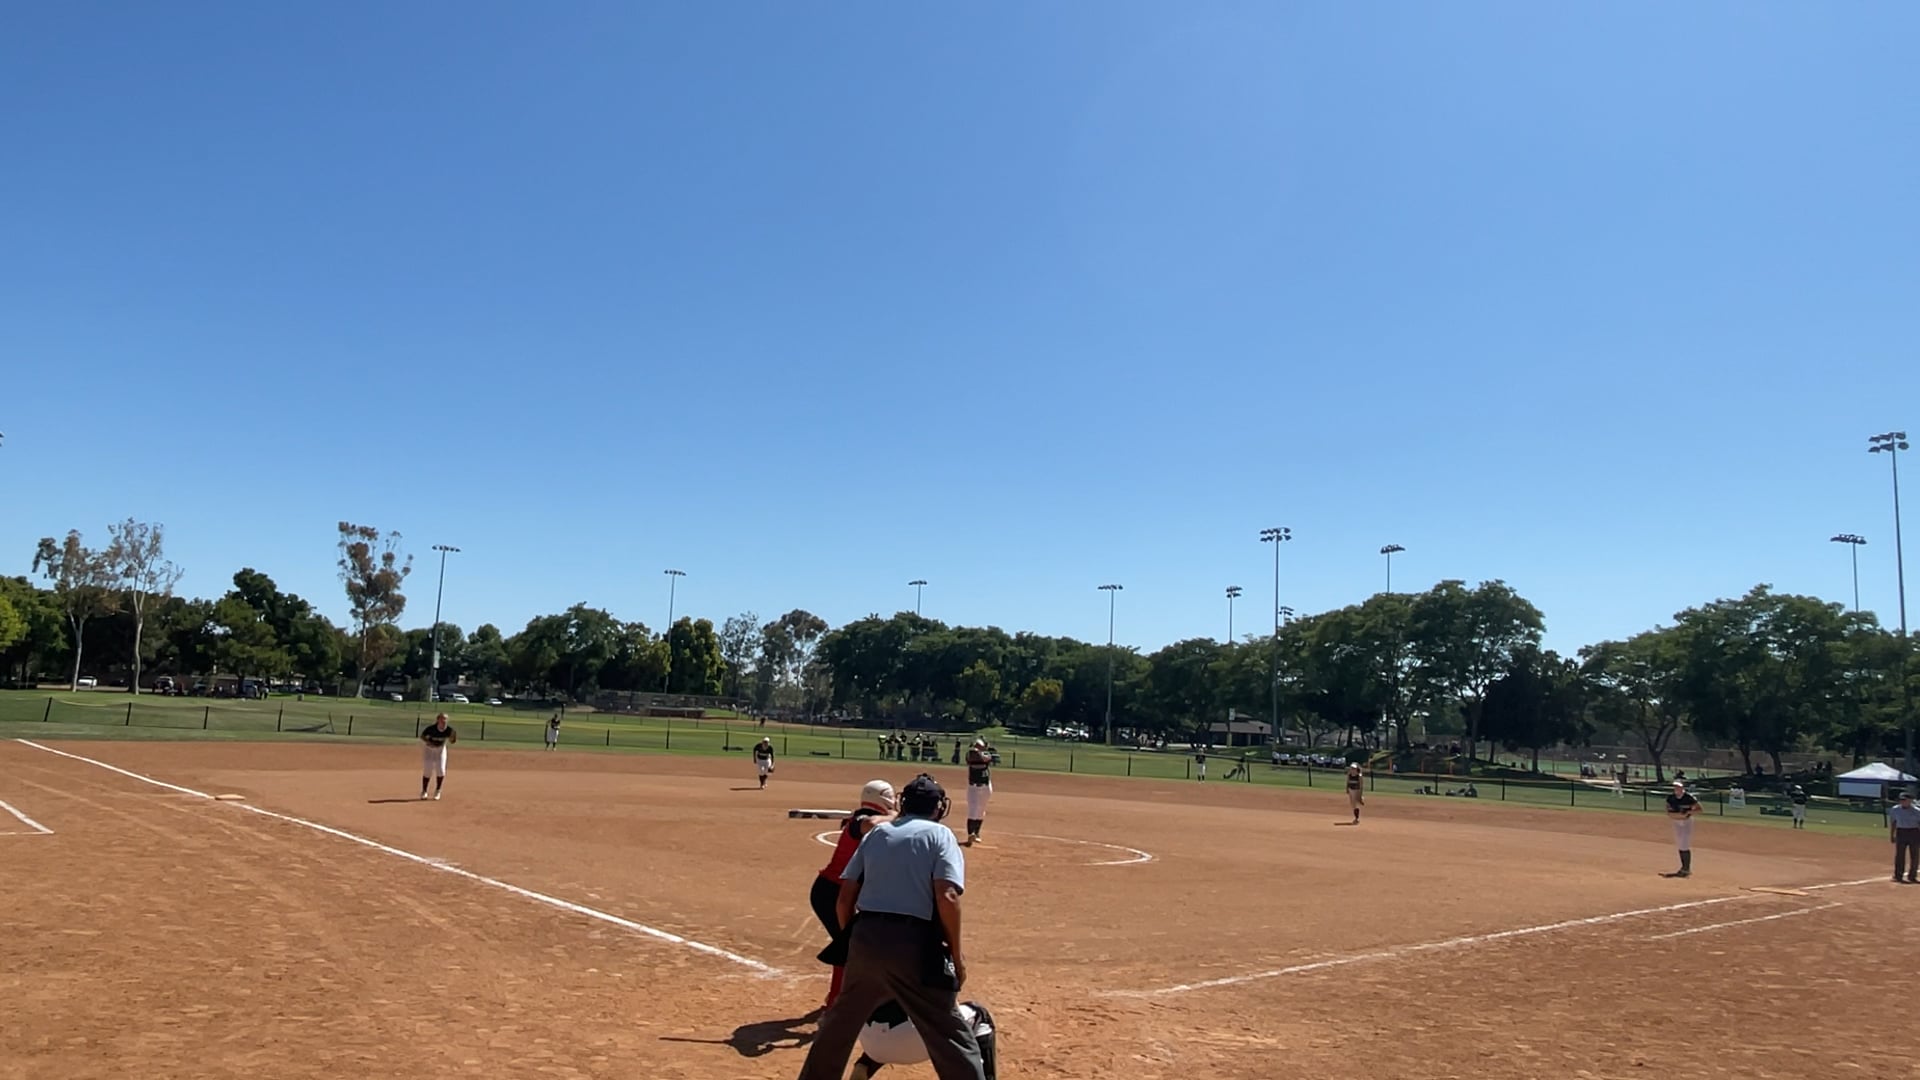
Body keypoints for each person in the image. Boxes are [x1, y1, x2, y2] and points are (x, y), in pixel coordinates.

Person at [797, 774, 986, 1080]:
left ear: (903, 803)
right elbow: (947, 896)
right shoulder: (941, 835)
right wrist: (956, 954)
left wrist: (852, 942)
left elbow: (844, 898)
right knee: (950, 1032)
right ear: (939, 808)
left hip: (865, 936)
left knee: (838, 1026)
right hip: (914, 942)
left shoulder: (878, 833)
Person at [812, 780, 896, 1006]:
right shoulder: (862, 820)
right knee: (848, 948)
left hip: (842, 893)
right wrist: (898, 816)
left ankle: (842, 998)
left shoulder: (864, 820)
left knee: (852, 946)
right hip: (831, 893)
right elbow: (870, 823)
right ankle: (836, 1003)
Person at [851, 999, 998, 1080]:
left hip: (872, 1046)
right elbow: (949, 1004)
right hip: (917, 1040)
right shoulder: (924, 952)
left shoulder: (854, 952)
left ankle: (864, 1065)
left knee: (881, 1023)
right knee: (980, 1014)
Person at [1665, 780, 1701, 877]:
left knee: (1684, 844)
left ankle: (1686, 868)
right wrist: (1674, 814)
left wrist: (1688, 812)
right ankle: (1684, 868)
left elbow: (1699, 809)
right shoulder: (1671, 798)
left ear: (1682, 788)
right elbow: (1668, 810)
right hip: (1676, 821)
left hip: (1686, 822)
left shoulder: (1688, 797)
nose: (1676, 788)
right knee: (1680, 844)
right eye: (1675, 787)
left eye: (1678, 787)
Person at [419, 713, 457, 800]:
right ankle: (424, 791)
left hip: (440, 750)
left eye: (445, 719)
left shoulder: (449, 730)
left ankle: (438, 790)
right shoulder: (431, 729)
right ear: (438, 720)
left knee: (441, 770)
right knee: (427, 770)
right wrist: (429, 742)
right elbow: (422, 736)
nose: (444, 721)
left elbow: (452, 741)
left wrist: (453, 737)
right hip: (429, 750)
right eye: (442, 719)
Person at [963, 739, 993, 846]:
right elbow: (971, 757)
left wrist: (981, 750)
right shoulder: (970, 754)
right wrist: (977, 750)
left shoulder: (986, 754)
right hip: (973, 787)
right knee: (973, 810)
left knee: (981, 810)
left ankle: (977, 833)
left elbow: (985, 758)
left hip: (985, 787)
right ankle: (970, 834)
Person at [1890, 790, 1920, 884]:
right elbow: (1894, 822)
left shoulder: (1917, 811)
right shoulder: (1895, 809)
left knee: (1914, 855)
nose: (1902, 802)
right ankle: (1898, 875)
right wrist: (1892, 834)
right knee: (1899, 855)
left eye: (1904, 800)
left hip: (1914, 832)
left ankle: (1912, 876)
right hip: (1901, 832)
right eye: (1901, 800)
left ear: (1910, 801)